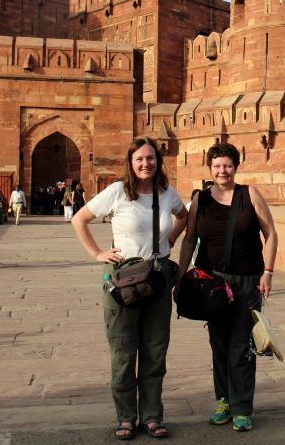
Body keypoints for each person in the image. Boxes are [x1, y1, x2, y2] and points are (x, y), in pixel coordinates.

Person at [71, 137, 188, 441]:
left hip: (158, 275)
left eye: (150, 158)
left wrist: (170, 241)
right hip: (123, 277)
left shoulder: (166, 193)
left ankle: (151, 416)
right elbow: (79, 219)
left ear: (157, 162)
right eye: (139, 159)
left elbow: (183, 216)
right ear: (131, 162)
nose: (145, 164)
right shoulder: (117, 192)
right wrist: (98, 253)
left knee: (155, 350)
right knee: (123, 351)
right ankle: (126, 417)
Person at [176, 142, 278, 432]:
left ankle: (243, 407)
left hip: (247, 281)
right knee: (218, 344)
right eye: (217, 166)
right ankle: (224, 401)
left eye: (228, 165)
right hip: (212, 283)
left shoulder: (250, 194)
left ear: (236, 167)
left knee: (241, 345)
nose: (223, 171)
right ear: (210, 168)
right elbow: (188, 239)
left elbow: (270, 234)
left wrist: (268, 271)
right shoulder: (201, 200)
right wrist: (182, 276)